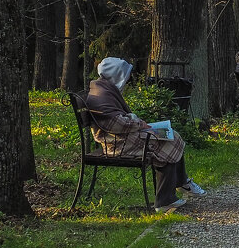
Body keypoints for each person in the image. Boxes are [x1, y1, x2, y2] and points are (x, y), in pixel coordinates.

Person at [85, 57, 206, 212]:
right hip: (116, 143)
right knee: (169, 139)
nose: (127, 81)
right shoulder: (102, 94)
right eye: (124, 76)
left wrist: (134, 120)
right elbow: (115, 124)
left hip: (119, 139)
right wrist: (137, 122)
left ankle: (180, 184)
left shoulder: (103, 89)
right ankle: (165, 200)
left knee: (170, 134)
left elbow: (115, 120)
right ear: (116, 75)